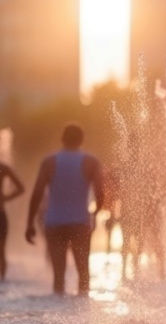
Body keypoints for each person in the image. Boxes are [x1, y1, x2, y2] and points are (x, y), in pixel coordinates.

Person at [25, 123, 104, 295]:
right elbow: (100, 194)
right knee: (83, 273)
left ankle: (58, 314)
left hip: (54, 223)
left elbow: (37, 194)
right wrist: (95, 214)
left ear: (62, 139)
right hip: (80, 223)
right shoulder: (91, 161)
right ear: (82, 140)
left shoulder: (49, 161)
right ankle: (82, 318)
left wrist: (29, 223)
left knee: (58, 277)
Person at [0, 163, 25, 280]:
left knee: (1, 252)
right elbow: (21, 188)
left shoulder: (3, 168)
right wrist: (5, 198)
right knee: (1, 252)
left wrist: (5, 198)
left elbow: (21, 188)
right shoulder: (3, 168)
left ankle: (3, 284)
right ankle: (3, 286)